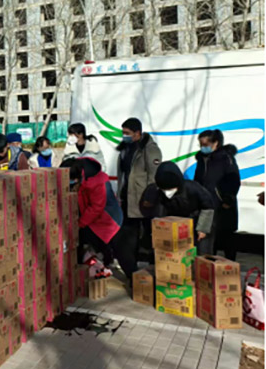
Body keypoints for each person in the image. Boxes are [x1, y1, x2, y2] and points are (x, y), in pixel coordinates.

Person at [61, 157, 125, 274]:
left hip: (107, 219)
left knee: (113, 248)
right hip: (92, 218)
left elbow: (96, 208)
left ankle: (105, 265)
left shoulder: (97, 182)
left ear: (76, 177)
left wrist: (80, 223)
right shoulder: (80, 173)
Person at [140, 161, 216, 255]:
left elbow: (208, 207)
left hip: (198, 221)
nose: (167, 193)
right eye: (164, 189)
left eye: (171, 189)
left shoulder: (193, 188)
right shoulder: (158, 192)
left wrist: (202, 229)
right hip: (177, 225)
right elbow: (159, 212)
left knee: (201, 252)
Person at [115, 117, 162, 270]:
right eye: (123, 132)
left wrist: (149, 197)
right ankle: (131, 267)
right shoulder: (124, 149)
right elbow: (123, 174)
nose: (124, 136)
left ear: (137, 133)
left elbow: (154, 176)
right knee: (129, 235)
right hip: (128, 198)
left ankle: (154, 266)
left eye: (127, 133)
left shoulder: (149, 149)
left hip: (143, 199)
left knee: (149, 233)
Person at [193, 129, 241, 260]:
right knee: (207, 238)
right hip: (206, 204)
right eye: (200, 144)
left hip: (222, 205)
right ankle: (208, 264)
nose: (203, 147)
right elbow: (198, 180)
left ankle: (230, 265)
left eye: (205, 144)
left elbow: (234, 181)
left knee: (226, 238)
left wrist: (227, 199)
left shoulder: (226, 158)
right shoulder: (202, 159)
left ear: (216, 143)